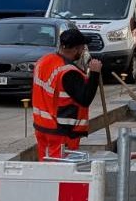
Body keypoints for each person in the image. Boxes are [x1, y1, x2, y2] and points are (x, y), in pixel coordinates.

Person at [31, 27, 102, 161]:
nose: (83, 51)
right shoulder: (68, 72)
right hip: (62, 131)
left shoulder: (43, 61)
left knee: (46, 165)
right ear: (76, 49)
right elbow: (84, 99)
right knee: (61, 170)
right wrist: (95, 74)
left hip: (42, 127)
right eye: (82, 48)